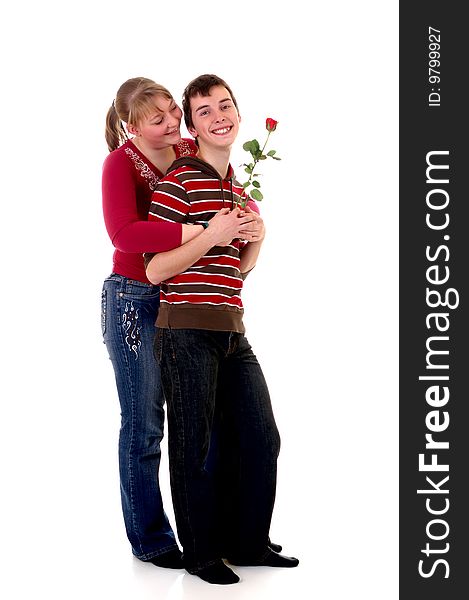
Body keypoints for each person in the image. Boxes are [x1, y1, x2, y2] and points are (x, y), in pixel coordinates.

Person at [145, 74, 299, 585]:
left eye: (225, 105)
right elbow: (154, 269)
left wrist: (256, 236)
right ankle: (202, 553)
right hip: (185, 331)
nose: (219, 116)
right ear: (192, 126)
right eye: (205, 110)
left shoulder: (237, 187)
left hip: (232, 331)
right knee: (194, 446)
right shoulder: (179, 181)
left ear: (238, 113)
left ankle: (249, 542)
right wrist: (212, 233)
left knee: (261, 437)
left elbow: (235, 271)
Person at [101, 77, 252, 568]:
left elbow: (224, 193)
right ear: (131, 126)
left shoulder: (188, 148)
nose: (172, 124)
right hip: (134, 297)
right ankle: (150, 538)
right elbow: (125, 234)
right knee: (144, 422)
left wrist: (247, 220)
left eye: (172, 112)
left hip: (182, 296)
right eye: (157, 119)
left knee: (198, 419)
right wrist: (196, 230)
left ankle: (212, 533)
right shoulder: (120, 164)